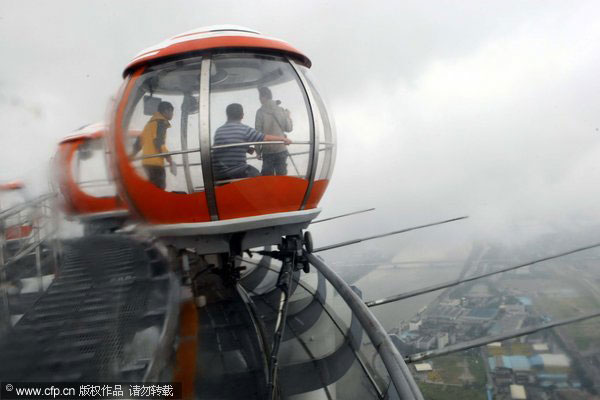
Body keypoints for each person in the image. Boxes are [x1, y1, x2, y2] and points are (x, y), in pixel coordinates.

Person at [213, 103, 291, 180]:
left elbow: (227, 144)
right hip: (237, 172)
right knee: (261, 178)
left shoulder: (218, 131)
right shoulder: (244, 129)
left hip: (219, 174)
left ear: (227, 115)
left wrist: (246, 148)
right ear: (242, 115)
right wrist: (283, 139)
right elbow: (265, 138)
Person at [130, 101, 176, 189]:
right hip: (156, 164)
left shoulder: (149, 124)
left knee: (152, 189)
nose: (172, 114)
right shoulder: (161, 123)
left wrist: (131, 156)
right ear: (166, 111)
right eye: (171, 111)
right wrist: (169, 158)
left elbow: (139, 143)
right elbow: (158, 143)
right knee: (160, 188)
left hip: (146, 163)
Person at [255, 87, 293, 175]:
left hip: (267, 150)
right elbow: (289, 128)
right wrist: (288, 116)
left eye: (260, 97)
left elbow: (257, 133)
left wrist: (258, 151)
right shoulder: (281, 110)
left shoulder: (260, 112)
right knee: (282, 177)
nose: (259, 99)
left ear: (264, 97)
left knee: (268, 179)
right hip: (281, 149)